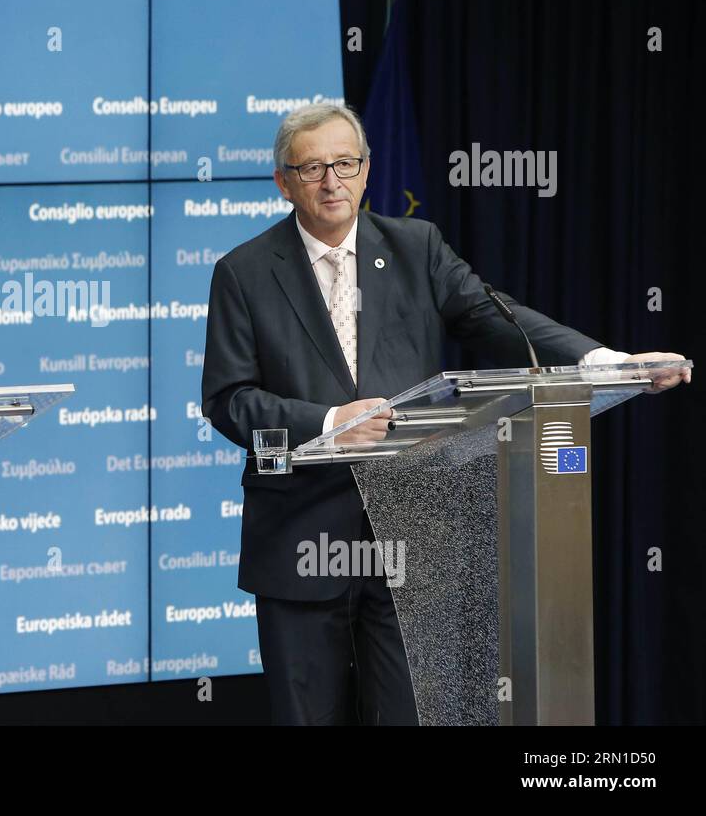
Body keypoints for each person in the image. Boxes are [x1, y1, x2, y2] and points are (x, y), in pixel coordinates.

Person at [201, 102, 688, 725]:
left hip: (411, 530)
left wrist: (603, 361)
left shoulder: (416, 246)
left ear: (367, 170)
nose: (333, 181)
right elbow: (228, 399)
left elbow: (497, 319)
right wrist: (329, 423)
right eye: (315, 167)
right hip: (299, 537)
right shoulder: (242, 272)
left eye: (345, 164)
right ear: (284, 181)